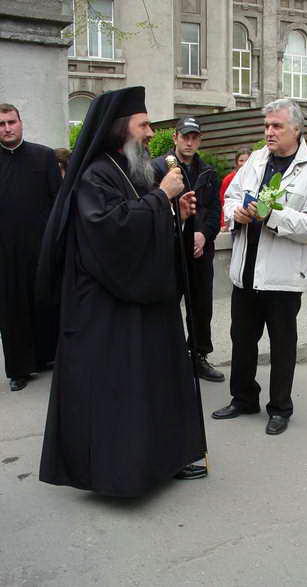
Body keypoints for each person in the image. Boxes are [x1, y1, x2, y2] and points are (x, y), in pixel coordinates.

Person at [38, 87, 207, 497]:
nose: (151, 133)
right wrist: (162, 198)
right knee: (122, 391)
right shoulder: (95, 175)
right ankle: (119, 474)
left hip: (146, 299)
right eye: (144, 125)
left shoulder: (135, 170)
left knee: (154, 385)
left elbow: (146, 221)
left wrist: (176, 214)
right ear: (120, 128)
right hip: (108, 307)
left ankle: (163, 459)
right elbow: (110, 232)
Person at [211, 98, 307, 435]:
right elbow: (231, 196)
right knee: (242, 340)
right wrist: (235, 213)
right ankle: (243, 398)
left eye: (277, 126)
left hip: (283, 277)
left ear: (296, 129)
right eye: (266, 125)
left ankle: (280, 408)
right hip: (245, 271)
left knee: (282, 346)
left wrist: (272, 217)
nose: (269, 132)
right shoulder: (255, 160)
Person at [152, 117, 224, 383]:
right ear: (175, 138)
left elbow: (214, 211)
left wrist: (203, 235)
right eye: (185, 137)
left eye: (194, 137)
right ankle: (166, 358)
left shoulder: (208, 172)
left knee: (201, 306)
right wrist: (181, 229)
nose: (190, 142)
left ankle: (198, 355)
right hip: (170, 249)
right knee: (166, 305)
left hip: (200, 252)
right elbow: (152, 206)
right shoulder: (159, 167)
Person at [0, 103, 62, 392]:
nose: (7, 128)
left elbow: (58, 201)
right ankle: (19, 369)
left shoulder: (44, 156)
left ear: (20, 122)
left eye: (11, 122)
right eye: (1, 124)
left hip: (41, 247)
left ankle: (47, 356)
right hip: (6, 252)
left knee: (45, 302)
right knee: (13, 311)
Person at [219, 148, 251, 231]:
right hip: (233, 221)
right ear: (236, 162)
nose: (244, 164)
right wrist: (224, 223)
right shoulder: (228, 179)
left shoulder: (255, 178)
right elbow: (223, 202)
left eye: (247, 160)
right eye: (241, 161)